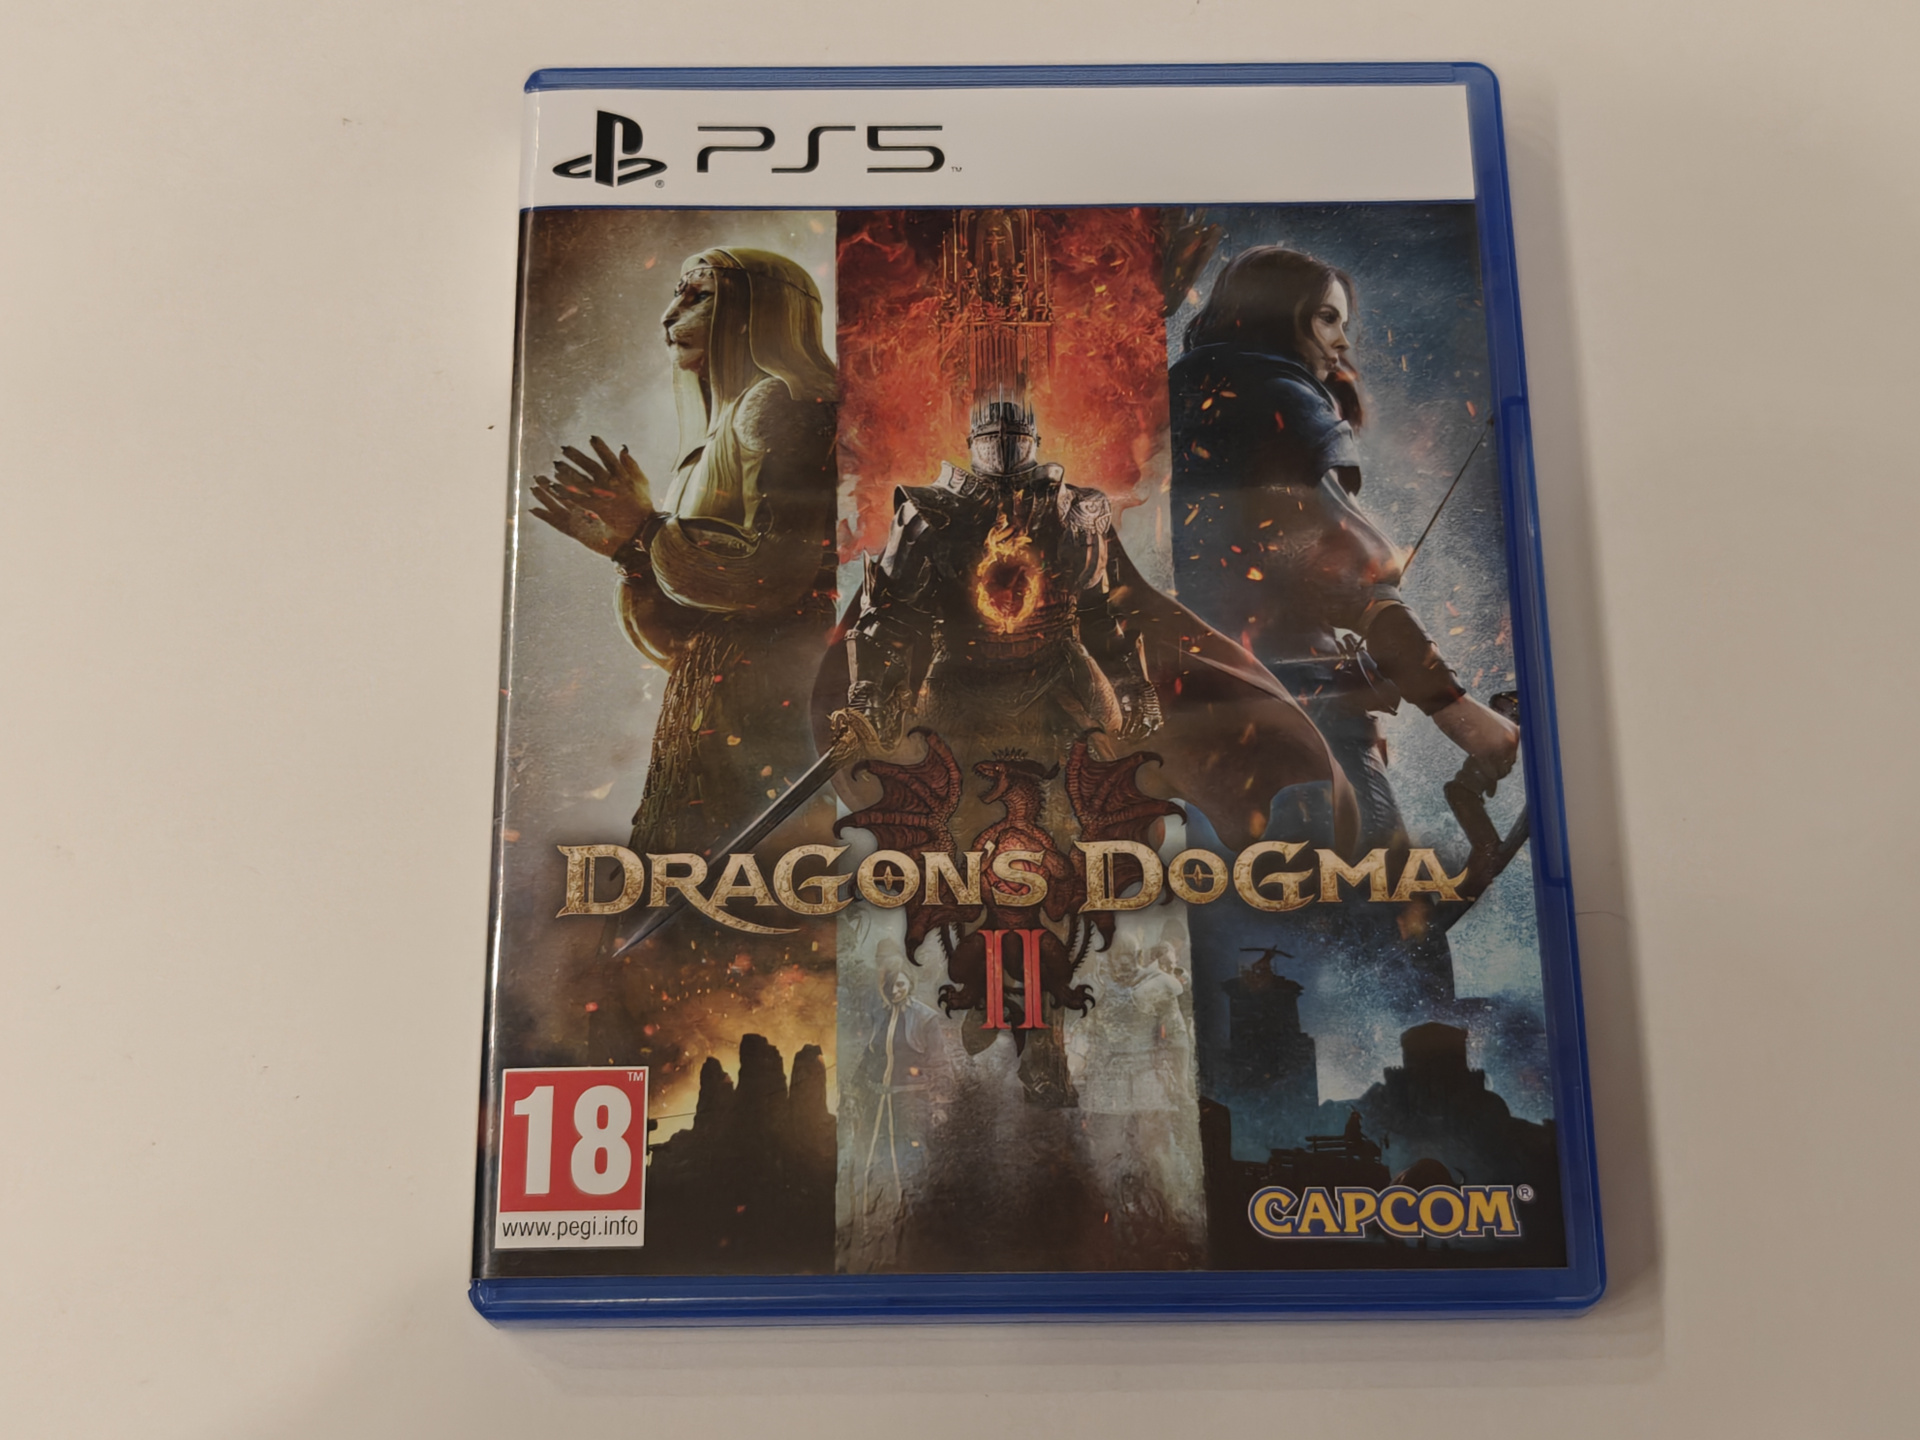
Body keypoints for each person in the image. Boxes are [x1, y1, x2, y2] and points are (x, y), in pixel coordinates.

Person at [1169, 245, 1518, 856]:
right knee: (1383, 899)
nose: (1341, 342)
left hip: (1201, 709)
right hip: (1304, 710)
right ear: (1278, 313)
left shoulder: (1185, 395)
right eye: (1326, 318)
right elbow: (1350, 570)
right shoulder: (1276, 396)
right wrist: (1458, 711)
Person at [530, 246, 840, 858]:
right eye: (678, 294)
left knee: (747, 874)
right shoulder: (733, 417)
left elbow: (773, 577)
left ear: (759, 312)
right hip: (721, 695)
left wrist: (646, 531)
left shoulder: (778, 403)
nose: (669, 314)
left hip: (769, 699)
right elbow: (687, 636)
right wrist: (629, 550)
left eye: (699, 297)